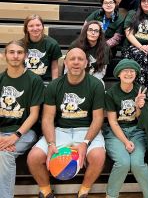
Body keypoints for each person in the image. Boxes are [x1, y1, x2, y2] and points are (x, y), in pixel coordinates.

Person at [27, 48, 106, 198]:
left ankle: (83, 191)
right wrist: (51, 143)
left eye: (80, 59)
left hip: (86, 130)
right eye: (72, 59)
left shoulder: (96, 85)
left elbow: (98, 118)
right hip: (60, 130)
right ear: (66, 62)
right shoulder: (54, 85)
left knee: (98, 156)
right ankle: (46, 191)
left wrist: (85, 142)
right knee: (34, 157)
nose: (76, 62)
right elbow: (47, 118)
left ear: (86, 63)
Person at [104, 59, 148, 198]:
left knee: (138, 164)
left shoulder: (141, 90)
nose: (128, 73)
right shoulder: (110, 93)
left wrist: (139, 106)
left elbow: (141, 120)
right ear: (118, 74)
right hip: (116, 133)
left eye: (132, 71)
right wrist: (126, 142)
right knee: (123, 163)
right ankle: (111, 195)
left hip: (137, 131)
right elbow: (113, 122)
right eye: (125, 70)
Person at [0, 40, 44, 198]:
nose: (15, 56)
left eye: (19, 52)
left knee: (4, 154)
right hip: (2, 132)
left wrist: (15, 136)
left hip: (25, 132)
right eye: (11, 52)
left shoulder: (34, 80)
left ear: (25, 55)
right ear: (5, 55)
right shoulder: (0, 79)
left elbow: (34, 115)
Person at [122, 0, 148, 87]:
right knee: (140, 54)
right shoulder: (132, 14)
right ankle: (138, 86)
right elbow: (128, 34)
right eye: (143, 1)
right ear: (140, 3)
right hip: (132, 46)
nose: (146, 3)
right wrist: (140, 46)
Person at [22, 14, 62, 82]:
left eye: (38, 25)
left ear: (42, 27)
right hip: (26, 81)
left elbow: (54, 68)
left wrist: (53, 86)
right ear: (26, 28)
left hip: (45, 81)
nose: (35, 28)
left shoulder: (52, 44)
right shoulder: (21, 44)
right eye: (31, 26)